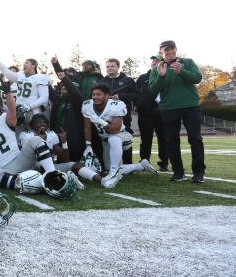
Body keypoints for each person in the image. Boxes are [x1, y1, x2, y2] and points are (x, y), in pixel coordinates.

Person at [0, 88, 57, 189]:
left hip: (19, 160)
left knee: (36, 140)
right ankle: (29, 184)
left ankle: (52, 175)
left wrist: (8, 93)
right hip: (5, 170)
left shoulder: (3, 120)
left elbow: (12, 108)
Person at [148, 40, 205, 182]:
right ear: (161, 53)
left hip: (190, 105)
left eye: (173, 49)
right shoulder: (156, 69)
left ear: (176, 50)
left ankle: (198, 172)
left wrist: (181, 72)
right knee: (172, 140)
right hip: (168, 108)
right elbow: (152, 90)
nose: (170, 52)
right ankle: (178, 172)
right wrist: (161, 77)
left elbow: (197, 78)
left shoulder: (187, 62)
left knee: (195, 138)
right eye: (167, 50)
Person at [81, 83, 157, 181]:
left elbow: (116, 130)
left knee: (114, 138)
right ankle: (141, 166)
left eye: (98, 94)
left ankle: (113, 173)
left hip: (122, 136)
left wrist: (100, 121)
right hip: (105, 140)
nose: (95, 97)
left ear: (107, 95)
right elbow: (87, 127)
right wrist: (88, 145)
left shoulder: (116, 105)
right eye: (93, 94)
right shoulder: (88, 105)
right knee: (108, 167)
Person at [135, 55, 169, 172]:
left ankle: (163, 163)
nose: (154, 62)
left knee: (164, 138)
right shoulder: (142, 78)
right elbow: (136, 93)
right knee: (145, 139)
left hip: (163, 112)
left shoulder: (167, 75)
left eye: (157, 61)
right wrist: (136, 104)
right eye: (153, 61)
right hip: (145, 113)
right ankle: (144, 162)